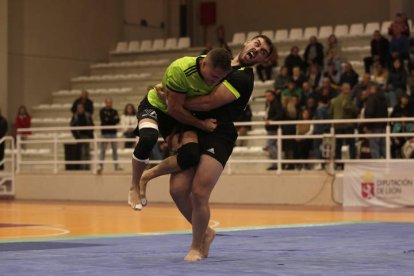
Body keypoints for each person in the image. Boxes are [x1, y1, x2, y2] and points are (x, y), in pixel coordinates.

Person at [136, 35, 273, 261]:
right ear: (247, 42)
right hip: (194, 125)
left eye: (263, 53)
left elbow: (207, 102)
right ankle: (206, 232)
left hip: (218, 132)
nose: (257, 51)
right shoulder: (220, 62)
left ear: (262, 61)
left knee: (199, 192)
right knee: (178, 190)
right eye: (256, 45)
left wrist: (173, 100)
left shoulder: (243, 79)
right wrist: (174, 94)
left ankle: (196, 246)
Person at [129, 48, 233, 210]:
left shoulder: (220, 76)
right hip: (157, 106)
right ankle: (134, 185)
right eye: (213, 76)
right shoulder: (180, 69)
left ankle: (146, 176)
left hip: (178, 115)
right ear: (204, 63)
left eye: (220, 78)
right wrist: (202, 124)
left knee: (191, 155)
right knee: (148, 137)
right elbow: (174, 109)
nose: (215, 81)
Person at [330, 83, 358, 168]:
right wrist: (355, 109)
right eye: (348, 89)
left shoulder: (334, 100)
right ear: (344, 89)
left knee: (338, 144)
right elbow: (347, 107)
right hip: (346, 124)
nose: (349, 91)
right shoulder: (348, 98)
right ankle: (352, 162)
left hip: (337, 124)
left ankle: (338, 163)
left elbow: (331, 112)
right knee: (351, 144)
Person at [364, 82, 388, 159]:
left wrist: (367, 125)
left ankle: (377, 165)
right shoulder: (383, 98)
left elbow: (370, 112)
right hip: (383, 126)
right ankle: (387, 165)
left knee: (374, 147)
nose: (368, 90)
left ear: (373, 89)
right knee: (384, 147)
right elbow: (386, 112)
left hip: (374, 126)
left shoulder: (372, 98)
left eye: (369, 89)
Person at [98, 98, 121, 173]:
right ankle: (100, 166)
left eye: (110, 102)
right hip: (105, 133)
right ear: (105, 103)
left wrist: (109, 119)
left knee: (115, 150)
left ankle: (116, 166)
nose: (109, 104)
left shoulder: (114, 111)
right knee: (103, 150)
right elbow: (104, 120)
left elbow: (117, 120)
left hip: (113, 133)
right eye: (108, 102)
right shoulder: (102, 111)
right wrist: (112, 119)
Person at [70, 103, 94, 170]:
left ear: (83, 108)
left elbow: (92, 125)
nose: (80, 109)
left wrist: (90, 134)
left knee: (87, 152)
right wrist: (76, 136)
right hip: (79, 136)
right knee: (82, 152)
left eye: (81, 107)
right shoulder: (75, 116)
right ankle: (83, 167)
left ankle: (87, 166)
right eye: (79, 108)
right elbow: (72, 127)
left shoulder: (87, 115)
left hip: (87, 136)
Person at [263, 90, 283, 170]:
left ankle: (277, 163)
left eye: (268, 96)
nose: (267, 97)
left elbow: (280, 115)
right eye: (266, 96)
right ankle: (276, 163)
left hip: (274, 128)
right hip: (270, 129)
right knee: (273, 146)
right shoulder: (269, 104)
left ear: (273, 96)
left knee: (270, 145)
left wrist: (271, 121)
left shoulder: (276, 104)